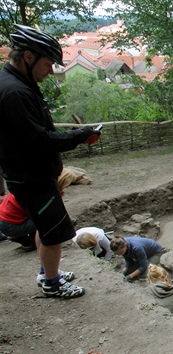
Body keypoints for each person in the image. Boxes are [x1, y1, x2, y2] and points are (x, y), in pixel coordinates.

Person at [0, 24, 101, 298]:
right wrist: (80, 135)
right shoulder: (15, 93)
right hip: (32, 177)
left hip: (28, 174)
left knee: (45, 228)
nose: (51, 71)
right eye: (47, 63)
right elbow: (40, 140)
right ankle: (52, 283)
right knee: (56, 232)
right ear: (29, 57)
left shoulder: (18, 85)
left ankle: (48, 272)